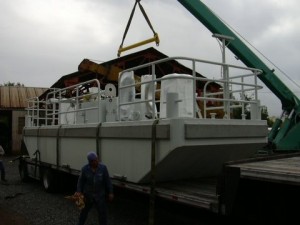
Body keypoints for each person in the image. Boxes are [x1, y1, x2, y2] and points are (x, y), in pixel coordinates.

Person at [76, 152, 114, 225]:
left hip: (100, 196)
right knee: (84, 213)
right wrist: (79, 191)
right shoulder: (85, 169)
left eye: (97, 159)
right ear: (90, 162)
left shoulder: (103, 168)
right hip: (88, 195)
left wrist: (111, 192)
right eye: (95, 160)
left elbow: (108, 181)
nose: (97, 161)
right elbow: (80, 181)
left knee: (102, 214)